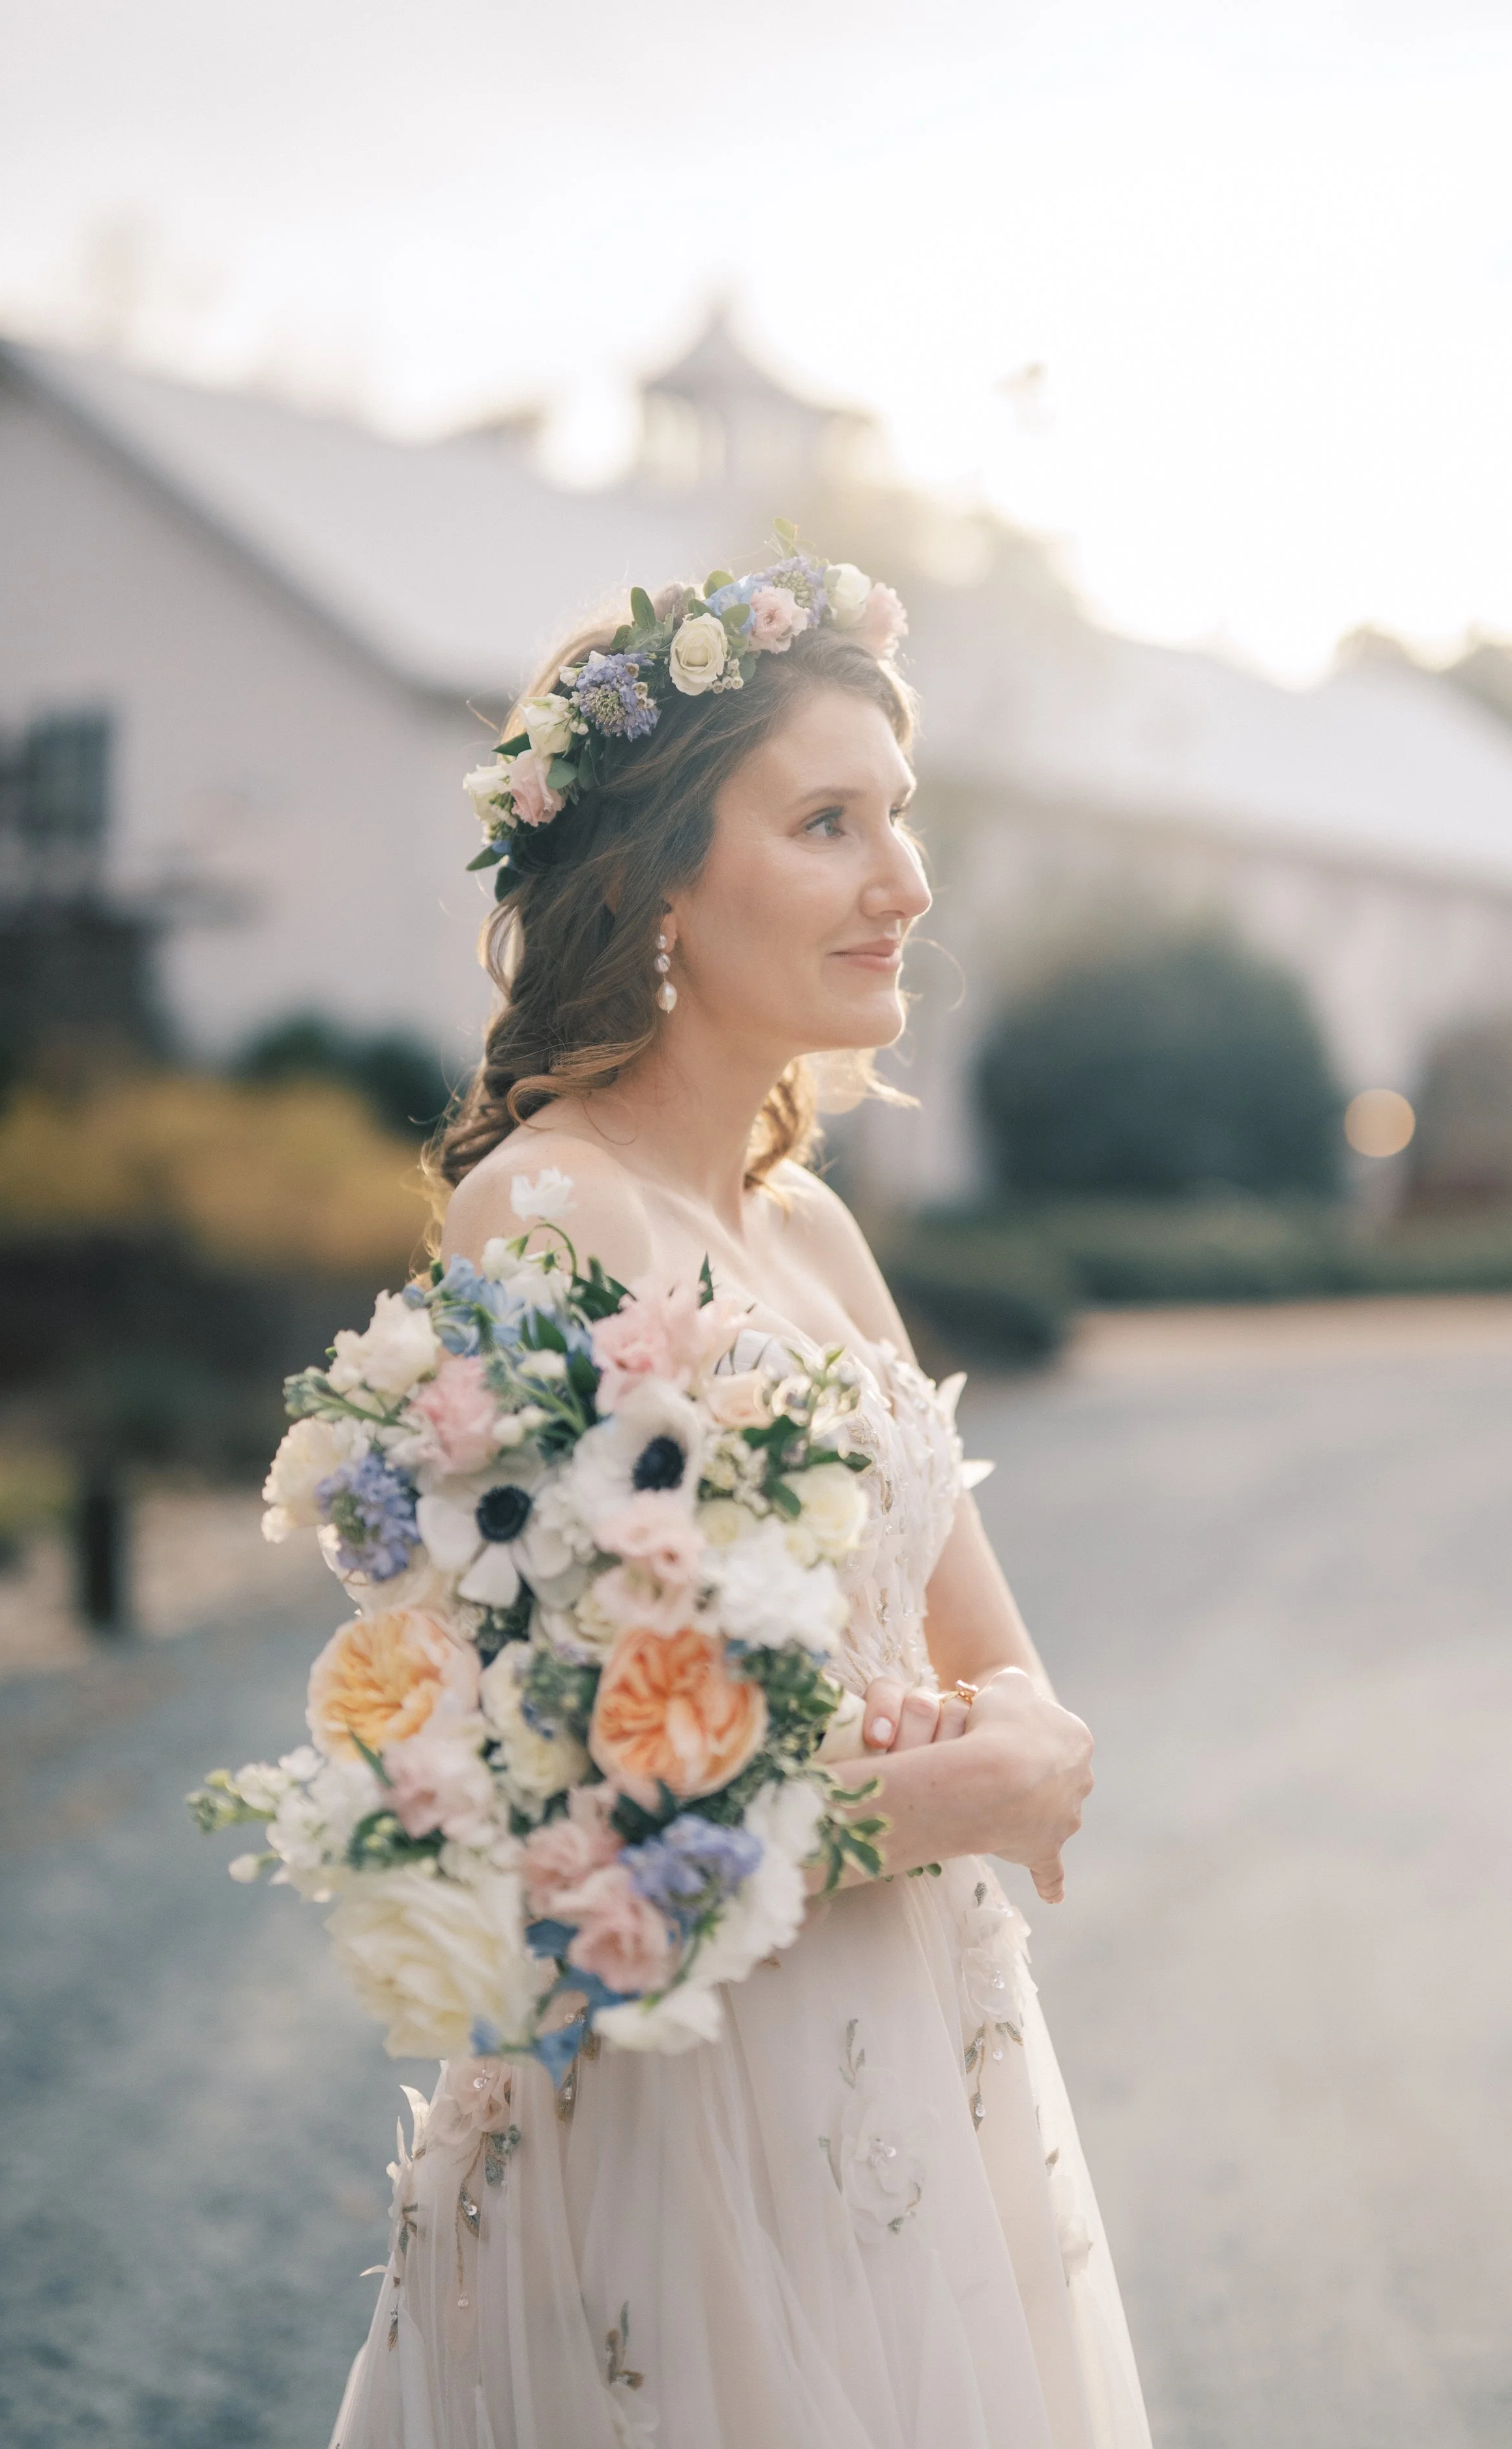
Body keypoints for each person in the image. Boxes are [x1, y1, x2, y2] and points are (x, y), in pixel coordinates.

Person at [332, 553, 1152, 2448]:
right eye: (827, 822)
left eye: (901, 818)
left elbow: (996, 1661)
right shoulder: (543, 1214)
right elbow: (567, 1840)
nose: (905, 883)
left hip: (918, 2081)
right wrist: (947, 1789)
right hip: (685, 2124)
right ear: (656, 884)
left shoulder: (814, 1229)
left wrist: (1020, 1735)